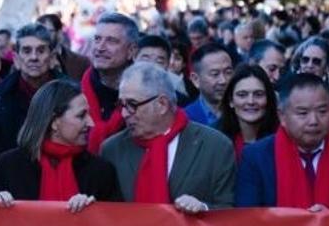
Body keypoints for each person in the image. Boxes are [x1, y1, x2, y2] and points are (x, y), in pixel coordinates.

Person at [100, 62, 235, 212]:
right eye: (121, 105)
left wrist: (203, 208)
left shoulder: (215, 146)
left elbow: (229, 211)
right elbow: (105, 211)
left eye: (132, 104)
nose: (124, 114)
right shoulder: (112, 149)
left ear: (162, 104)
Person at [236, 73, 329, 211]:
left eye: (322, 111)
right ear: (282, 116)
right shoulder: (256, 158)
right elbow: (248, 217)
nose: (314, 121)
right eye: (303, 113)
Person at [0, 79, 121, 208]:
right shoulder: (8, 167)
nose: (91, 123)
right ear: (54, 122)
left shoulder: (100, 171)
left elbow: (114, 222)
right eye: (81, 115)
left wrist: (92, 211)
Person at [0, 23, 62, 150]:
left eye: (41, 51)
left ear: (52, 58)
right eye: (27, 51)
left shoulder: (70, 96)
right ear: (16, 59)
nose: (34, 57)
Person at [82, 12, 138, 153]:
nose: (100, 47)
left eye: (111, 41)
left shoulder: (146, 99)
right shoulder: (74, 94)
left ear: (131, 51)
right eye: (97, 39)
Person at [217, 64, 278, 160]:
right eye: (242, 95)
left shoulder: (282, 137)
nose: (251, 101)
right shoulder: (216, 139)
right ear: (231, 101)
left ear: (268, 99)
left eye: (258, 94)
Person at [184, 42, 234, 126]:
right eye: (215, 74)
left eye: (228, 72)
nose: (223, 81)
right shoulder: (185, 119)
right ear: (196, 80)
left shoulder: (244, 112)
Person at [38, 13, 89, 80]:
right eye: (38, 32)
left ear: (59, 33)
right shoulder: (30, 61)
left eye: (47, 31)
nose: (42, 36)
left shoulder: (81, 62)